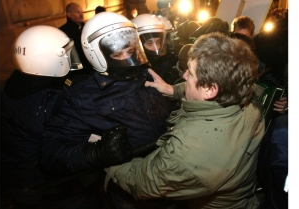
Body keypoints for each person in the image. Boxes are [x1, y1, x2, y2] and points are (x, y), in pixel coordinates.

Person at [104, 32, 265, 208]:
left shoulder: (187, 154)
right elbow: (219, 85)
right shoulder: (249, 99)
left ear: (210, 90)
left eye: (191, 72)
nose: (184, 76)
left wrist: (106, 160)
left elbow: (142, 183)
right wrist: (174, 90)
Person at [38, 11, 178, 202]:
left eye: (131, 51)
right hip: (130, 191)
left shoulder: (149, 75)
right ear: (97, 55)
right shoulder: (83, 95)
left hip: (172, 178)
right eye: (118, 54)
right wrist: (96, 154)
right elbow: (50, 152)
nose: (129, 58)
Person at [0, 25, 92, 208]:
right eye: (65, 53)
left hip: (10, 175)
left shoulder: (12, 84)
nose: (69, 57)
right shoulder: (50, 101)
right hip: (41, 184)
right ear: (48, 59)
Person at [131, 14, 180, 85]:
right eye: (150, 43)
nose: (156, 47)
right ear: (138, 45)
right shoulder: (135, 72)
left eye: (158, 42)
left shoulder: (164, 63)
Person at [59, 2, 94, 75]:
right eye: (78, 12)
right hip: (77, 73)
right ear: (69, 14)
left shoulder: (88, 27)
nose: (81, 15)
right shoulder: (62, 32)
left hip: (92, 67)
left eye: (82, 12)